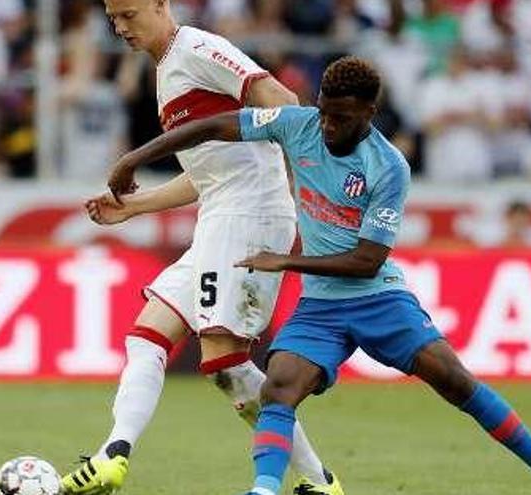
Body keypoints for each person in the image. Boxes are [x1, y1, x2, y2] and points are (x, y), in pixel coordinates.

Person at [103, 56, 531, 495]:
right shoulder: (298, 124)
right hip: (321, 307)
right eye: (323, 110)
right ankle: (264, 489)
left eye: (339, 117)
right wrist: (135, 159)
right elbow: (216, 125)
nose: (327, 125)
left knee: (455, 382)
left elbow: (367, 260)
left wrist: (286, 262)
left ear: (368, 113)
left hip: (377, 297)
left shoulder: (388, 167)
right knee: (279, 386)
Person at [64, 1, 343, 494]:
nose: (120, 27)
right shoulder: (167, 70)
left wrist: (317, 187)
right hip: (221, 215)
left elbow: (281, 99)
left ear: (160, 5)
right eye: (113, 19)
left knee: (226, 364)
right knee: (148, 334)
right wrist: (137, 205)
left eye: (129, 14)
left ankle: (320, 483)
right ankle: (113, 456)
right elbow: (208, 174)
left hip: (251, 216)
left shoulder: (197, 49)